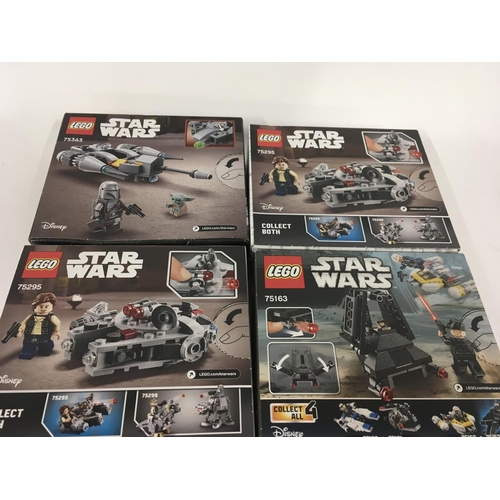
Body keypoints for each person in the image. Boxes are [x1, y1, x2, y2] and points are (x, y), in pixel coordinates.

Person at [16, 292, 60, 359]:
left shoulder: (51, 317)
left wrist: (56, 331)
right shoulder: (31, 316)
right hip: (30, 335)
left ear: (52, 306)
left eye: (46, 307)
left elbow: (57, 323)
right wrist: (20, 330)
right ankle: (27, 351)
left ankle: (44, 350)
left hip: (44, 336)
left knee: (45, 347)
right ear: (35, 306)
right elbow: (24, 323)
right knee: (28, 346)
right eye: (41, 306)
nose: (43, 309)